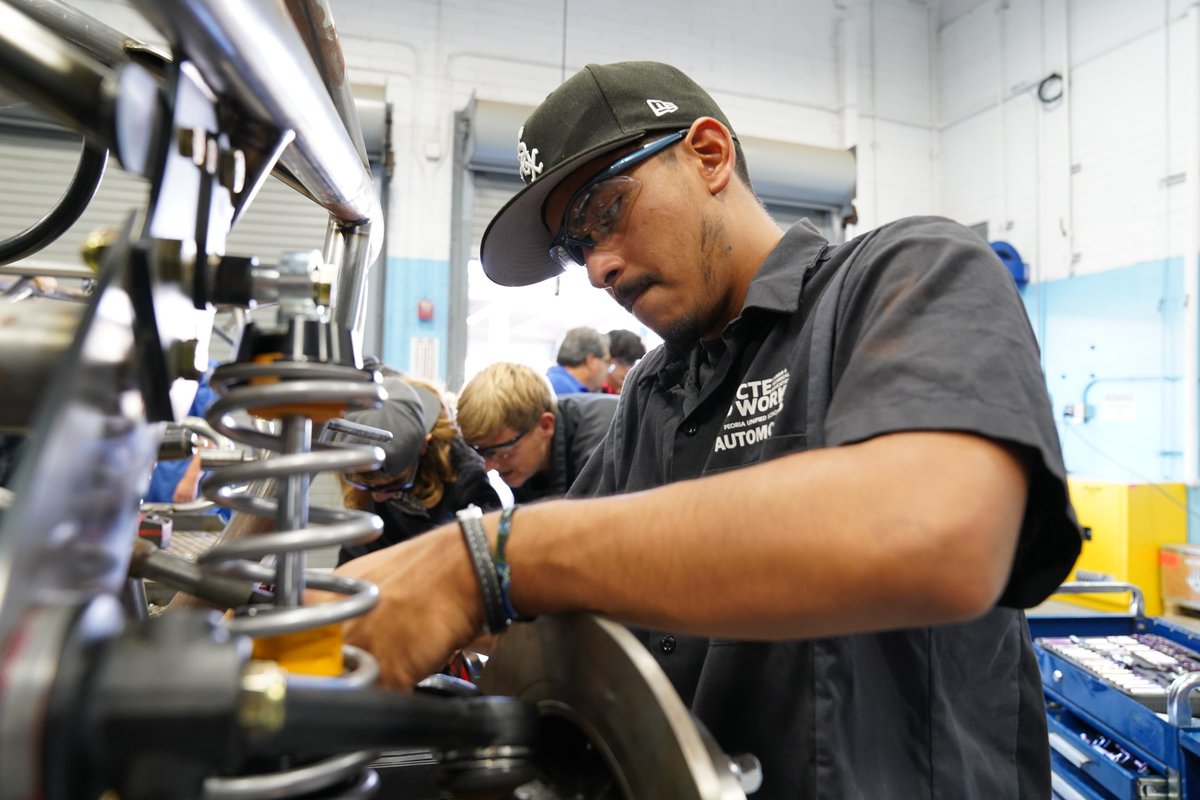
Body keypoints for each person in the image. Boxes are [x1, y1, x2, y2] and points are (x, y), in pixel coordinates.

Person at [336, 61, 1081, 799]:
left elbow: (939, 531)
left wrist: (487, 562)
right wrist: (377, 606)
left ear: (709, 155)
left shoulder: (908, 272)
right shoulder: (650, 397)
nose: (596, 267)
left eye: (604, 212)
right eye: (575, 246)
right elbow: (563, 615)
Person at [332, 375, 500, 565]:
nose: (378, 498)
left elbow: (492, 559)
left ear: (423, 446)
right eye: (366, 485)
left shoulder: (464, 476)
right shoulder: (366, 419)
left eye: (394, 484)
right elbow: (354, 553)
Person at [455, 362, 617, 502]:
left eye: (502, 453)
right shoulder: (526, 459)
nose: (489, 467)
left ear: (545, 426)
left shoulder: (603, 444)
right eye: (482, 453)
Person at [545, 326, 610, 393]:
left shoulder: (551, 383)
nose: (608, 369)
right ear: (590, 361)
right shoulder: (562, 391)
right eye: (606, 361)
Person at [600, 328, 645, 394]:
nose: (628, 369)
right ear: (608, 358)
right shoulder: (592, 391)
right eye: (624, 361)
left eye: (632, 362)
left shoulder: (631, 395)